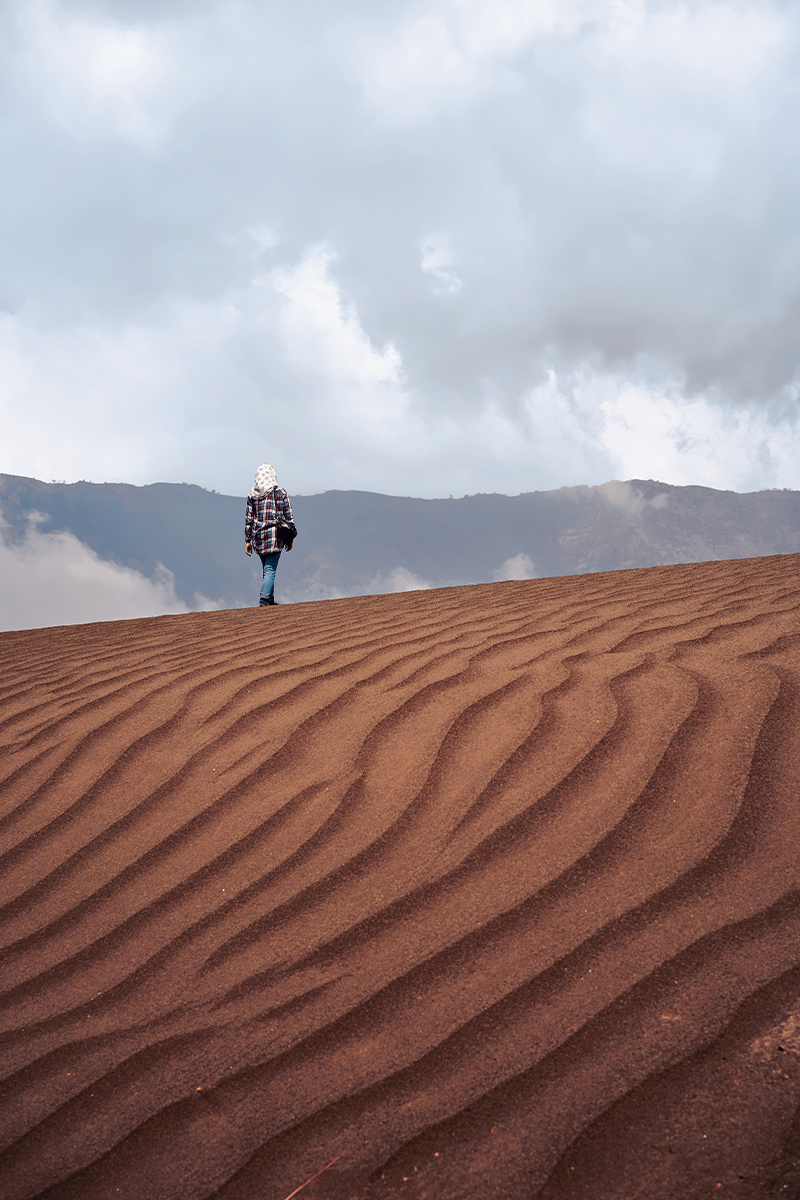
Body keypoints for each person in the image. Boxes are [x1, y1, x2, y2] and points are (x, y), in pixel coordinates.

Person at [244, 463, 295, 606]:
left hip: (258, 537)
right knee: (270, 569)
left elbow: (249, 520)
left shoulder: (252, 496)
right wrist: (289, 538)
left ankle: (269, 600)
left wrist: (248, 540)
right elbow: (289, 517)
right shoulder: (281, 493)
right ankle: (265, 598)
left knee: (267, 569)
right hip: (275, 536)